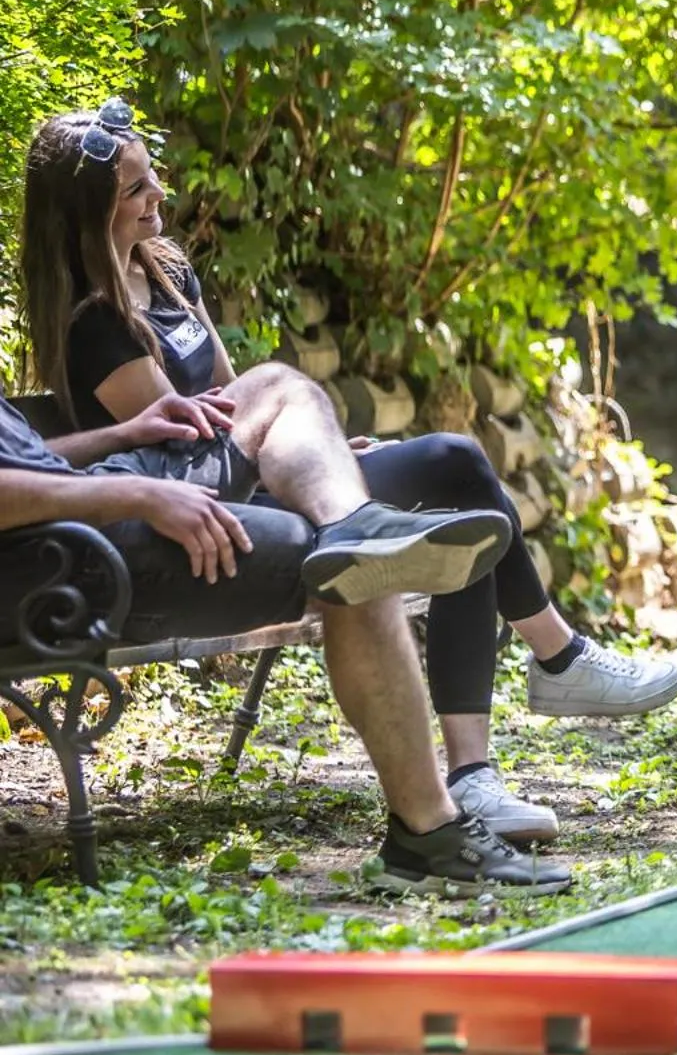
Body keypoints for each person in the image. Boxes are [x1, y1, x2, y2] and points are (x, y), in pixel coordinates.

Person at [20, 102, 677, 845]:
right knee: (426, 494)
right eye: (137, 190)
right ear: (90, 216)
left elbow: (232, 393)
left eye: (154, 178)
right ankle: (553, 659)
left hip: (257, 476)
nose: (158, 198)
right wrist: (309, 472)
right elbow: (190, 446)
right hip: (200, 509)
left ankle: (483, 763)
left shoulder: (168, 269)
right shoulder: (93, 323)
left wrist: (325, 460)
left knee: (454, 468)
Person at [0, 362, 571, 895]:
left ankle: (350, 516)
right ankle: (428, 834)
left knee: (274, 385)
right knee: (353, 565)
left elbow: (24, 460)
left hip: (77, 499)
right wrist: (135, 493)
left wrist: (123, 435)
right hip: (59, 556)